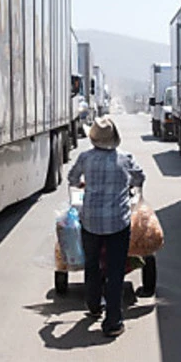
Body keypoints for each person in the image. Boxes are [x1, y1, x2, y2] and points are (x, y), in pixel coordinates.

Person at [67, 116, 145, 337]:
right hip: (118, 223)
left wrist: (83, 183)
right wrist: (128, 183)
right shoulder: (125, 158)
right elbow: (139, 178)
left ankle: (93, 306)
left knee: (92, 265)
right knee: (115, 271)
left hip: (90, 222)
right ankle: (113, 323)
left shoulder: (85, 157)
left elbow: (72, 179)